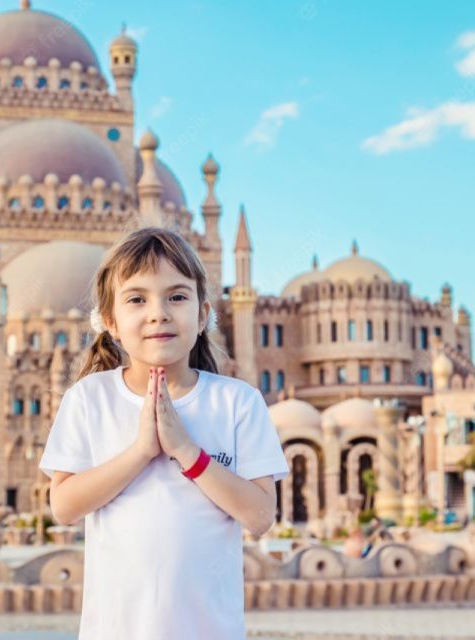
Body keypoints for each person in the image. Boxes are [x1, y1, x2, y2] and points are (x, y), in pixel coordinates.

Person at [39, 227, 290, 639]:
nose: (159, 312)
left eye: (176, 296)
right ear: (110, 321)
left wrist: (187, 451)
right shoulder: (89, 399)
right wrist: (140, 451)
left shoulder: (237, 403)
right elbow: (64, 507)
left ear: (203, 313)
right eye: (137, 299)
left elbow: (260, 516)